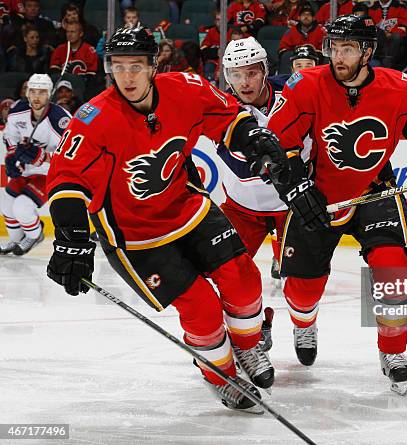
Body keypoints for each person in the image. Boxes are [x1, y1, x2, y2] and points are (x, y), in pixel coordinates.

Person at [45, 25, 290, 412]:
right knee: (201, 308)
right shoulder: (94, 118)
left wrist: (256, 140)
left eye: (136, 66)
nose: (127, 76)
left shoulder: (186, 88)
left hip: (189, 208)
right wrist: (71, 239)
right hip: (137, 237)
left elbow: (228, 119)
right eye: (118, 66)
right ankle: (220, 373)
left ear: (153, 65)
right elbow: (66, 182)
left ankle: (247, 347)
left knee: (244, 279)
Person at [266, 15, 407, 392]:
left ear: (367, 51)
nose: (336, 57)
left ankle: (392, 351)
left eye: (346, 49)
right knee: (301, 289)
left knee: (394, 274)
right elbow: (277, 144)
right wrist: (293, 186)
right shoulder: (307, 85)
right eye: (333, 47)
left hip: (376, 191)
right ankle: (304, 323)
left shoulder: (401, 88)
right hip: (318, 195)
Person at [220, 37, 293, 293]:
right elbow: (240, 166)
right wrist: (271, 165)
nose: (244, 82)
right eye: (236, 74)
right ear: (227, 77)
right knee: (228, 280)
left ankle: (305, 330)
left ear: (265, 70)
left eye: (251, 72)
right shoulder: (220, 108)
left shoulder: (292, 91)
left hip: (291, 206)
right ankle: (258, 326)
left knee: (301, 284)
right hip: (242, 208)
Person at [1, 74, 72, 256]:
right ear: (27, 92)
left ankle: (34, 235)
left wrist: (44, 157)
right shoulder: (18, 110)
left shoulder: (60, 119)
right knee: (7, 203)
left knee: (22, 206)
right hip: (26, 170)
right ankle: (16, 241)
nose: (36, 96)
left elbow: (70, 154)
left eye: (41, 92)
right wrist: (11, 155)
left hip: (49, 173)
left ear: (49, 94)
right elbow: (10, 135)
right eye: (33, 91)